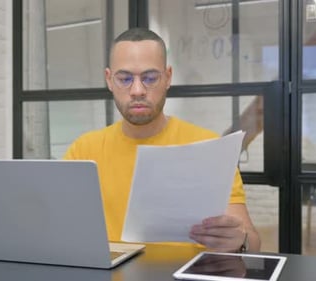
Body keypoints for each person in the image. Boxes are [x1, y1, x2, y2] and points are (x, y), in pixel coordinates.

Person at [63, 28, 260, 253]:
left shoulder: (208, 147)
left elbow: (253, 243)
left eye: (150, 78)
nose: (137, 90)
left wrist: (240, 240)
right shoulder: (84, 150)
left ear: (167, 77)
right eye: (125, 78)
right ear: (109, 80)